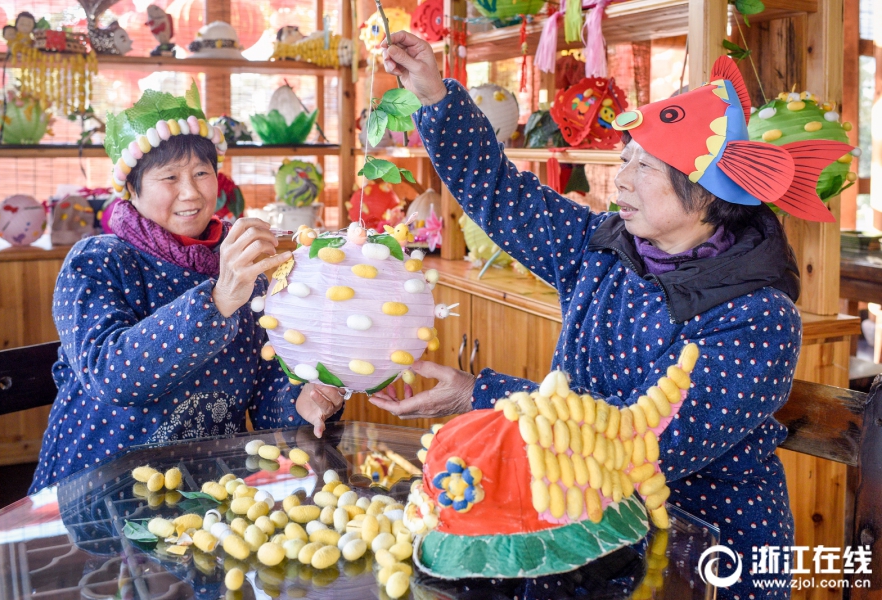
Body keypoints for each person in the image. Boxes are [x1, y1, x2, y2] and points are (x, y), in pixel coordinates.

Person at [361, 31, 851, 599]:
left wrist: (480, 396)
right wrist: (432, 94)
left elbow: (638, 441)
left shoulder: (758, 317)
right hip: (584, 527)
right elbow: (497, 190)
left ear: (707, 193)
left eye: (646, 167)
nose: (620, 178)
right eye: (626, 158)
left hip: (704, 552)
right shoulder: (603, 245)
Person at [30, 85, 342, 493]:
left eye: (201, 173)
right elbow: (110, 376)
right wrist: (219, 300)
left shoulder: (242, 266)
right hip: (97, 496)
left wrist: (306, 402)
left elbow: (267, 400)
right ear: (133, 189)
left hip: (211, 497)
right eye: (169, 177)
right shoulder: (98, 261)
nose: (192, 192)